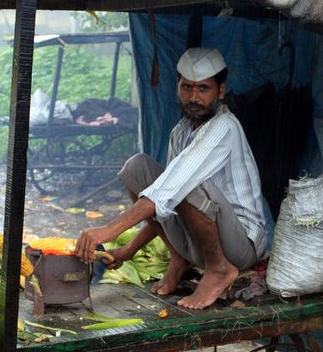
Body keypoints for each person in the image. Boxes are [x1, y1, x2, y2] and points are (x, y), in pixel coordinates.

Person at [76, 47, 267, 309]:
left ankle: (219, 269)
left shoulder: (225, 127)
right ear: (177, 87)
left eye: (203, 89)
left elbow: (173, 189)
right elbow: (164, 200)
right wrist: (128, 250)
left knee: (184, 184)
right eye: (187, 87)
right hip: (197, 241)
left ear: (220, 91)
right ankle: (179, 259)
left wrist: (109, 231)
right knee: (136, 168)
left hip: (240, 246)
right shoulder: (181, 132)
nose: (193, 97)